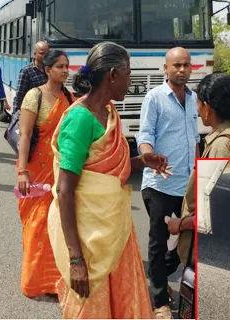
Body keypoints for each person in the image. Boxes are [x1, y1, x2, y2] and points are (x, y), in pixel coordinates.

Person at [47, 42, 170, 319]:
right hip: (89, 240)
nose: (131, 81)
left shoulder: (109, 112)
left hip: (115, 231)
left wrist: (141, 162)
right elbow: (65, 191)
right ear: (112, 75)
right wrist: (76, 259)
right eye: (128, 73)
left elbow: (105, 171)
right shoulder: (80, 119)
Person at [167, 72, 230, 274]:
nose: (198, 111)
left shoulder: (221, 145)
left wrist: (180, 224)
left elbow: (215, 210)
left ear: (207, 107)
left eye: (198, 104)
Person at [136, 46, 199, 318]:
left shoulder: (194, 98)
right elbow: (145, 134)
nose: (182, 70)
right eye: (176, 65)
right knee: (159, 244)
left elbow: (195, 139)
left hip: (187, 185)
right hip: (159, 183)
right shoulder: (155, 98)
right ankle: (159, 300)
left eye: (186, 65)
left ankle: (158, 279)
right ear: (166, 68)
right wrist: (149, 156)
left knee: (186, 240)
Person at [15, 49, 74, 297]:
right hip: (36, 170)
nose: (64, 70)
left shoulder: (70, 97)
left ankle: (56, 280)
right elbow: (25, 135)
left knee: (59, 223)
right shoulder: (34, 96)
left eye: (66, 66)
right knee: (37, 223)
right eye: (59, 66)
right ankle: (35, 281)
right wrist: (22, 171)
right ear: (48, 70)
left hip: (61, 171)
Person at [12, 40, 49, 113]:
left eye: (47, 54)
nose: (45, 56)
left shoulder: (50, 70)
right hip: (31, 112)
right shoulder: (26, 71)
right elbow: (19, 96)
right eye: (42, 53)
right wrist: (16, 115)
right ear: (35, 54)